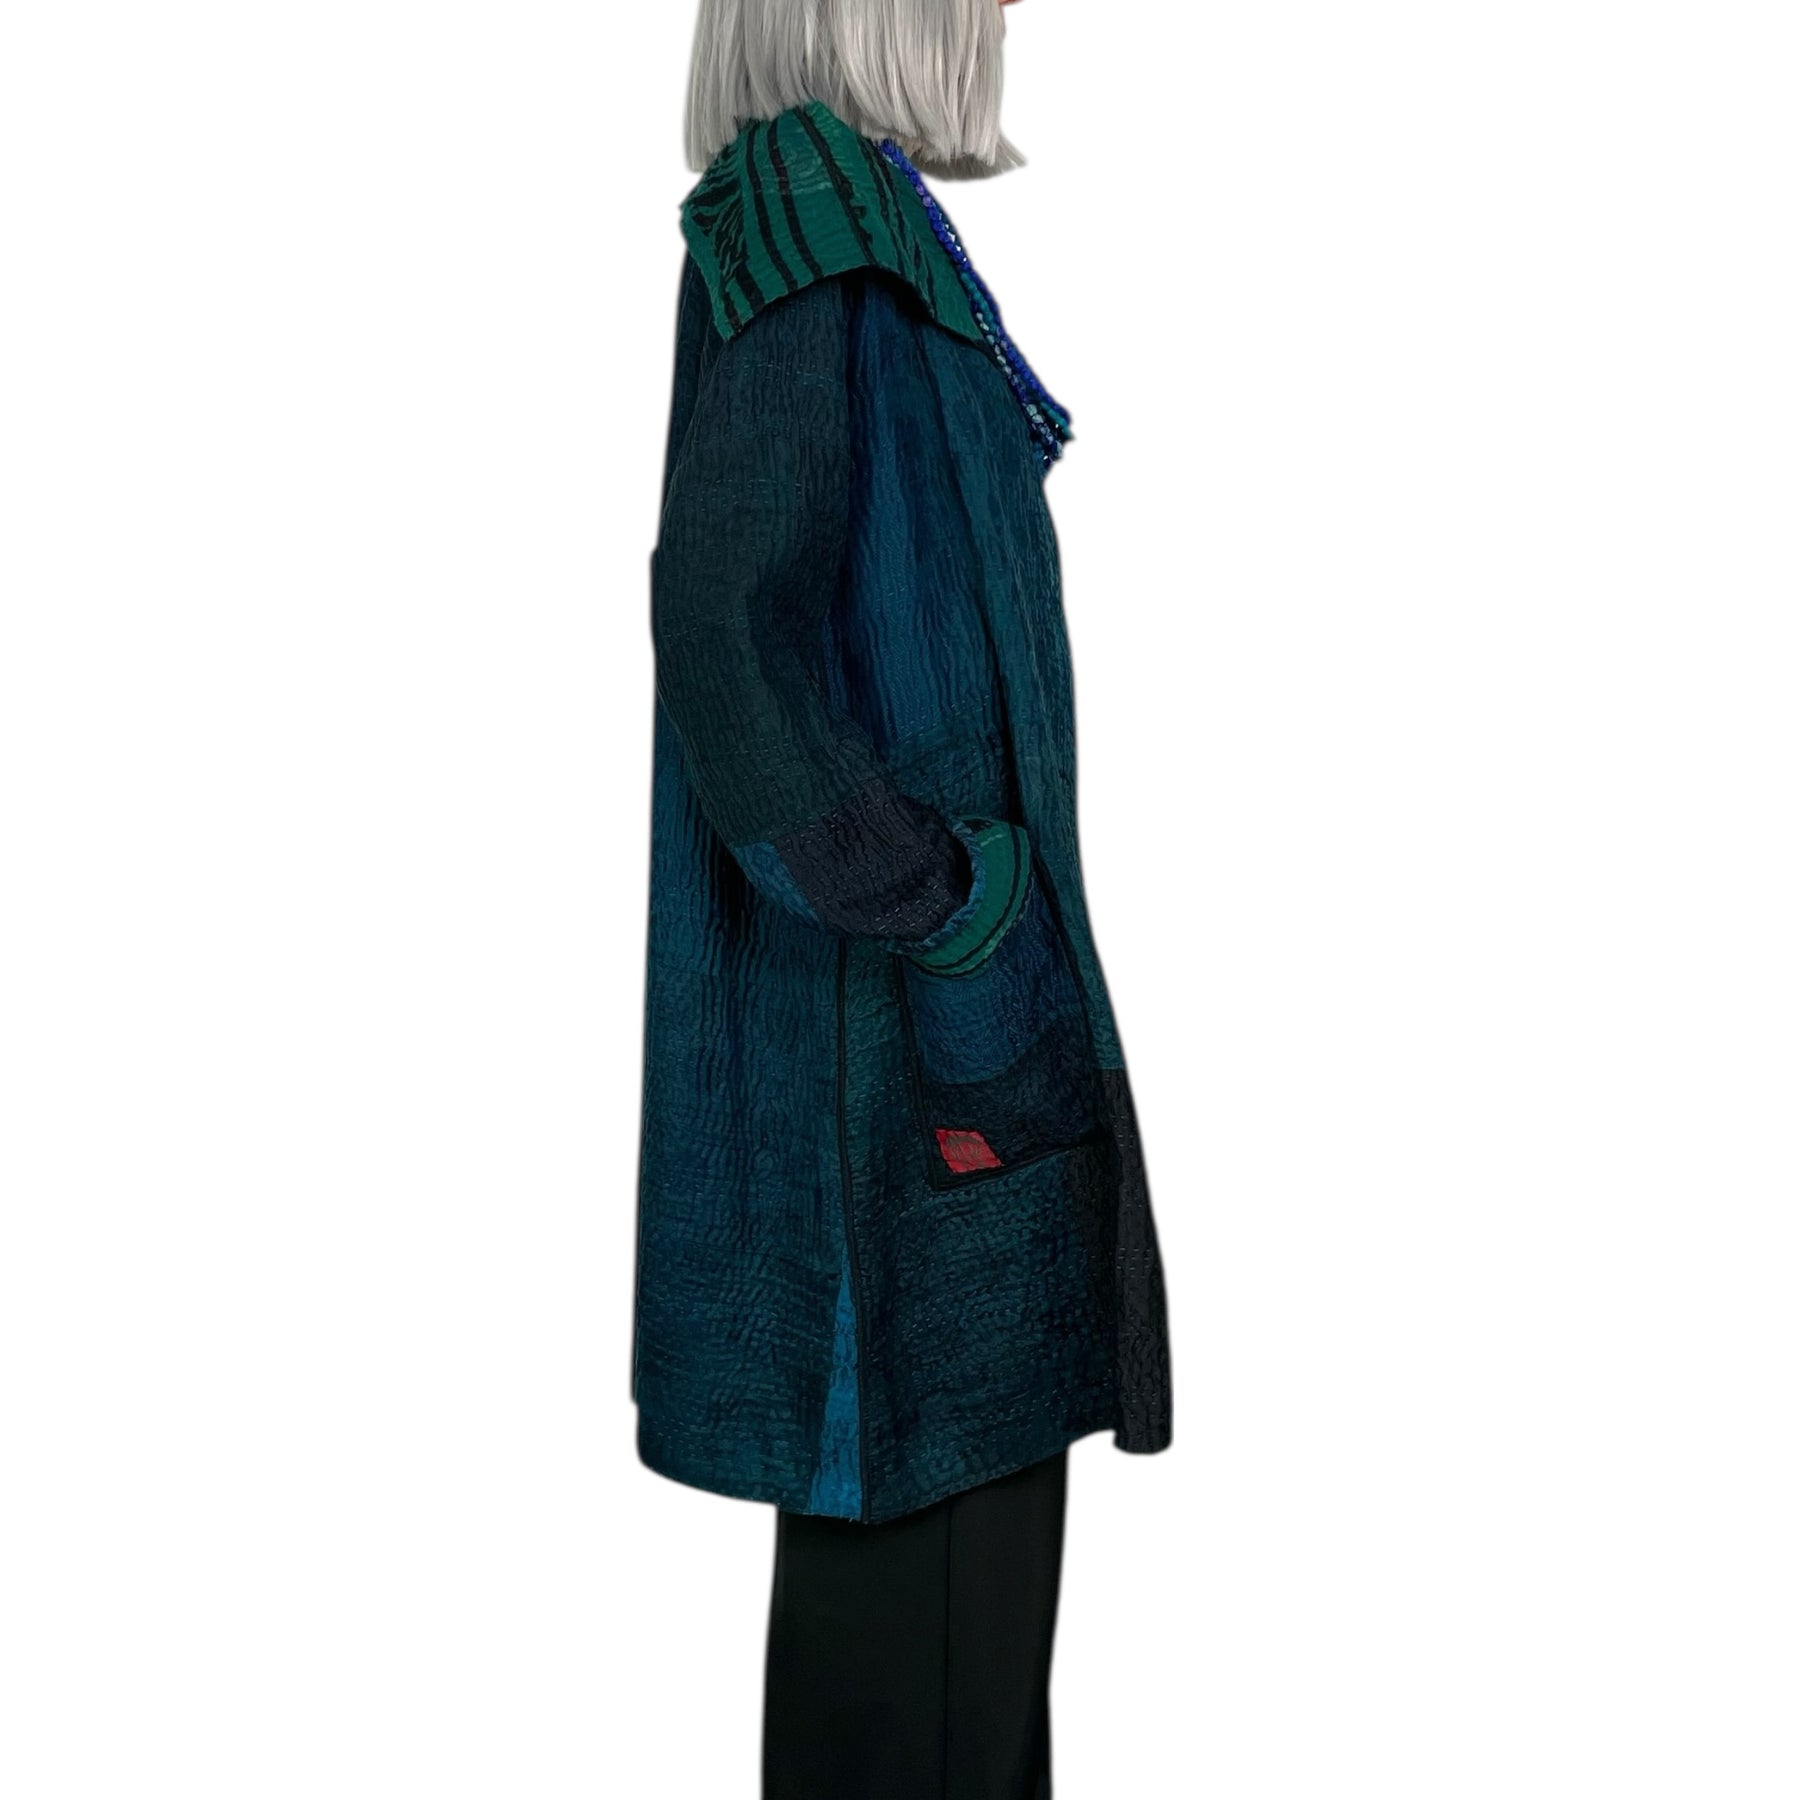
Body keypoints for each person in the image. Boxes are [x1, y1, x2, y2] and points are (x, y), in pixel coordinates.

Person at [634, 2, 1173, 1792]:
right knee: (919, 1649)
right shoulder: (812, 209)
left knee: (961, 1637)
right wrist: (946, 903)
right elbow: (725, 625)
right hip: (904, 1084)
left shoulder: (861, 211)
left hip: (953, 1061)